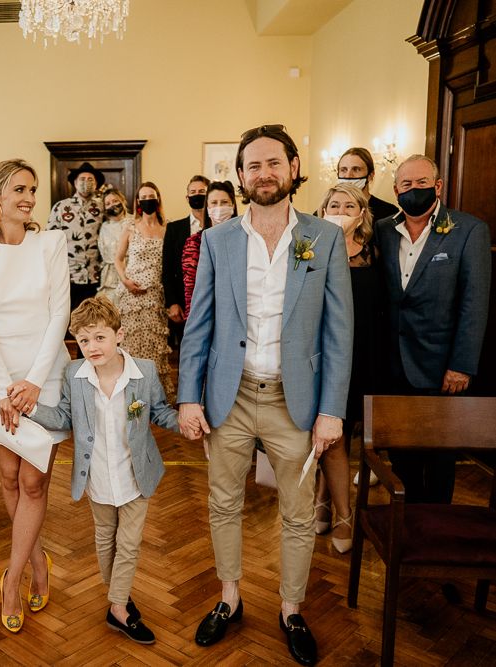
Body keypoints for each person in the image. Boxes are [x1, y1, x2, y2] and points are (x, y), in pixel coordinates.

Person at [178, 125, 353, 665]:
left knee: (298, 514)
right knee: (223, 503)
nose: (264, 174)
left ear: (294, 167)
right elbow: (199, 324)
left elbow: (338, 332)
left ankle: (291, 607)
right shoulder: (217, 240)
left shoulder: (323, 239)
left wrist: (330, 411)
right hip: (228, 397)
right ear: (240, 176)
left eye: (273, 163)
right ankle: (229, 598)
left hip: (292, 400)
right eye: (253, 166)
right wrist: (188, 397)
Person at [0, 159, 71, 634]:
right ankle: (37, 561)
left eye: (32, 189)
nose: (28, 197)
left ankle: (13, 579)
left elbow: (59, 314)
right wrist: (6, 386)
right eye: (19, 189)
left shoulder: (51, 243)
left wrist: (34, 382)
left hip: (45, 374)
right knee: (8, 475)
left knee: (34, 482)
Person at [28, 296, 179, 644]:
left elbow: (159, 412)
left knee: (128, 544)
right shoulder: (75, 375)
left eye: (99, 337)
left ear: (119, 334)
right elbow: (63, 418)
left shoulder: (144, 372)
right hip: (95, 477)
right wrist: (30, 407)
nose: (92, 347)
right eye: (83, 340)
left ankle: (119, 609)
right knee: (105, 539)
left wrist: (184, 422)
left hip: (136, 476)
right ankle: (119, 598)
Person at [376, 154, 490, 504]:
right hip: (392, 365)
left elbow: (475, 303)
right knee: (401, 459)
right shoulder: (381, 231)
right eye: (406, 185)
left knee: (439, 460)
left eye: (422, 183)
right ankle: (406, 530)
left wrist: (462, 365)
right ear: (396, 190)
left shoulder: (469, 230)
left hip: (442, 368)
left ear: (437, 186)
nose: (414, 190)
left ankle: (435, 526)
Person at [313, 183, 377, 553]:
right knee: (331, 435)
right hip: (326, 356)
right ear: (322, 212)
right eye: (333, 204)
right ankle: (343, 515)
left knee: (350, 432)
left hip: (365, 353)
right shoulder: (310, 250)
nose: (340, 210)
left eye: (348, 205)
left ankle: (323, 496)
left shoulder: (375, 251)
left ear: (361, 213)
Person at [115, 182, 174, 402]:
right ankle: (131, 394)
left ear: (157, 199)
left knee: (154, 345)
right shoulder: (131, 226)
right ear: (138, 202)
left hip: (156, 297)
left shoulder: (167, 227)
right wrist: (126, 281)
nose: (148, 199)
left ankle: (153, 395)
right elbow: (118, 259)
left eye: (151, 195)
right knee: (132, 344)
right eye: (143, 196)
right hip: (131, 297)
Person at [47, 161, 105, 311]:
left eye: (90, 179)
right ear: (75, 182)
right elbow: (49, 242)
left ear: (96, 183)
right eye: (82, 179)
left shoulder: (103, 207)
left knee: (93, 320)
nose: (86, 182)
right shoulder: (61, 207)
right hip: (68, 276)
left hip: (96, 276)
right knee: (69, 321)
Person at [162, 175, 210, 344]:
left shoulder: (220, 225)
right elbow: (166, 270)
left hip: (214, 299)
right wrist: (172, 303)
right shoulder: (174, 228)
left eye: (202, 191)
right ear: (187, 197)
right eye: (193, 192)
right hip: (184, 302)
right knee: (188, 349)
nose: (197, 195)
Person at [181, 180, 238, 319]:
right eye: (214, 203)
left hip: (236, 315)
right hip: (206, 315)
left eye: (224, 202)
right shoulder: (194, 243)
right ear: (207, 207)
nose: (219, 207)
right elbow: (191, 291)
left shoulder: (244, 239)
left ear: (233, 205)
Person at [337, 147, 398, 222]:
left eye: (356, 169)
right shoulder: (326, 211)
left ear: (370, 175)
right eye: (343, 170)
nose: (348, 175)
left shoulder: (389, 212)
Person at [97, 188, 132, 307]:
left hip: (130, 271)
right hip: (109, 276)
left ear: (122, 201)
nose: (112, 205)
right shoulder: (103, 227)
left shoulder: (133, 222)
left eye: (115, 200)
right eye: (108, 203)